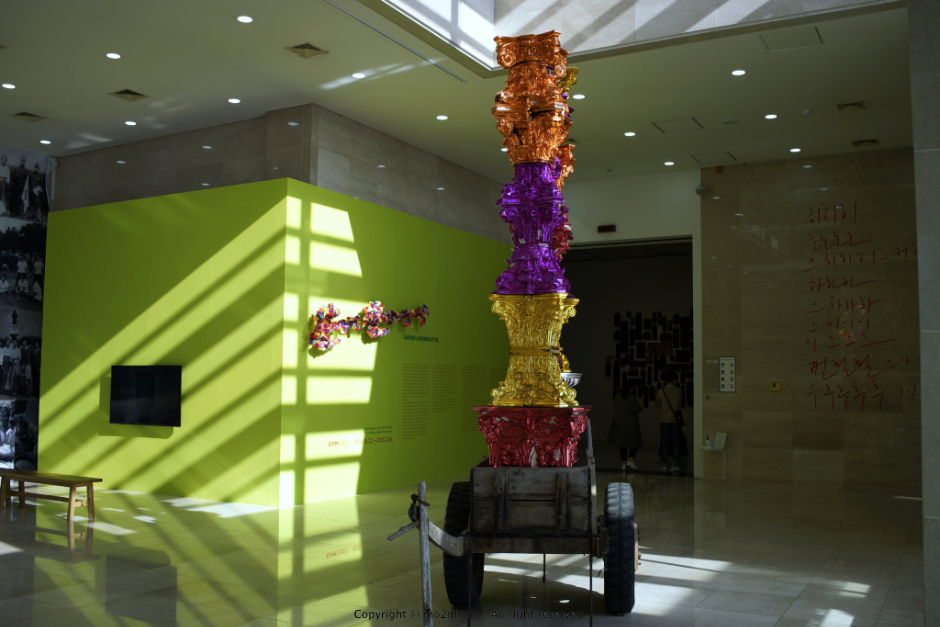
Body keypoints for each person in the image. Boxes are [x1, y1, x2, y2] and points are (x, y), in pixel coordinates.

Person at [608, 385, 644, 471]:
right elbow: (639, 409)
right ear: (630, 389)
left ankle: (623, 464)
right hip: (631, 423)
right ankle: (631, 460)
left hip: (619, 422)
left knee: (622, 444)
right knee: (635, 442)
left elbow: (616, 405)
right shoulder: (632, 398)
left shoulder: (617, 397)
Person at [655, 371, 684, 472]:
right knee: (676, 442)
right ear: (674, 379)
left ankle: (664, 463)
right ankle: (676, 463)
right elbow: (680, 402)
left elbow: (658, 404)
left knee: (664, 442)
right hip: (675, 419)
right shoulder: (678, 390)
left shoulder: (661, 391)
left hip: (664, 419)